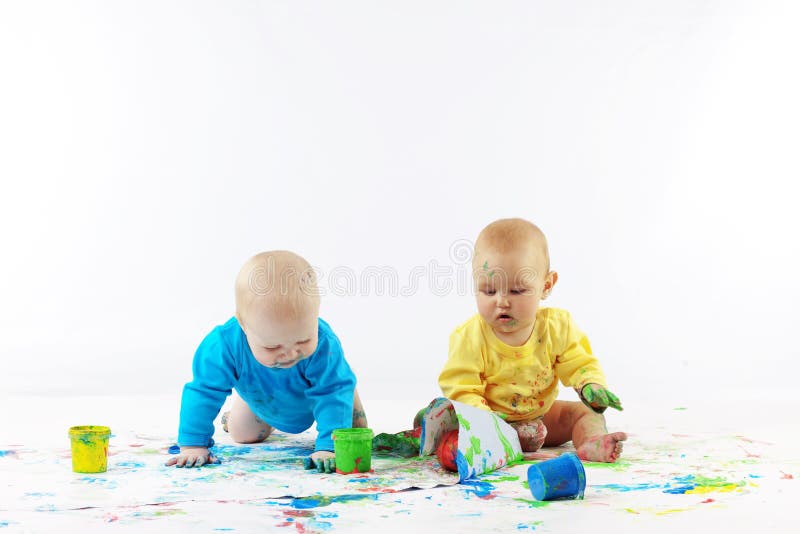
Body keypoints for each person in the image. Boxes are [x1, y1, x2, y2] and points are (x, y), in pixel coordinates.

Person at [438, 218, 627, 462]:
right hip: (491, 420)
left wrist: (589, 385)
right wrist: (492, 427)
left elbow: (578, 361)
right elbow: (462, 389)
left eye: (517, 291)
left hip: (541, 418)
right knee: (454, 434)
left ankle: (592, 443)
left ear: (546, 285)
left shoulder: (557, 327)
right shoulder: (469, 337)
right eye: (488, 291)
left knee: (585, 414)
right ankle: (496, 442)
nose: (502, 301)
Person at [166, 250, 367, 472]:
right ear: (243, 325)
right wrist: (193, 445)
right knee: (243, 435)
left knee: (354, 433)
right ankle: (241, 409)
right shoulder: (223, 346)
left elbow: (331, 392)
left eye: (304, 340)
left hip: (318, 396)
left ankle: (348, 386)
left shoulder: (325, 344)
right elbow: (203, 391)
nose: (291, 354)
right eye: (273, 347)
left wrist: (328, 447)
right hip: (262, 399)